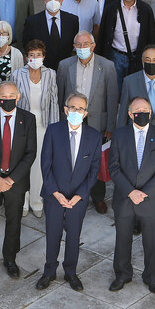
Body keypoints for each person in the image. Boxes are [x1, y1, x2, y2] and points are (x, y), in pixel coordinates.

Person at [37, 91, 101, 291]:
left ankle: (71, 272)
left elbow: (93, 170)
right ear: (65, 110)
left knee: (74, 235)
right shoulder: (54, 131)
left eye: (80, 109)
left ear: (85, 113)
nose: (76, 111)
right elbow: (45, 165)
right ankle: (49, 271)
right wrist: (55, 193)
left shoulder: (94, 136)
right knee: (53, 234)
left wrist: (79, 196)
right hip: (54, 195)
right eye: (72, 107)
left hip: (77, 197)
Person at [108, 97, 155, 295]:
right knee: (122, 238)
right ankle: (122, 274)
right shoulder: (119, 135)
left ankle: (152, 277)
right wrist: (130, 191)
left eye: (145, 109)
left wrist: (145, 193)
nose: (141, 113)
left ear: (150, 113)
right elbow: (114, 167)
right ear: (129, 114)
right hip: (125, 198)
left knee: (151, 240)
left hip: (150, 199)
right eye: (137, 110)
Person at [0, 81, 37, 279]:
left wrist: (10, 179)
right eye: (4, 95)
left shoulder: (28, 119)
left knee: (14, 222)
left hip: (15, 182)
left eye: (12, 95)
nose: (8, 99)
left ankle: (10, 258)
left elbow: (30, 153)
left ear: (18, 97)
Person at [57, 31, 118, 215]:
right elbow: (60, 95)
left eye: (86, 44)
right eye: (78, 45)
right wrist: (62, 121)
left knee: (95, 161)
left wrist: (110, 126)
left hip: (96, 122)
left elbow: (112, 97)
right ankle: (71, 193)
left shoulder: (107, 66)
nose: (82, 48)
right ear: (74, 46)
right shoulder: (64, 65)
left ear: (93, 46)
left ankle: (98, 197)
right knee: (71, 159)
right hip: (72, 121)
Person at [13, 39, 59, 218]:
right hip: (24, 126)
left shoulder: (51, 74)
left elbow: (54, 102)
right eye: (31, 55)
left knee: (40, 165)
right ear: (26, 57)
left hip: (43, 125)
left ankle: (36, 201)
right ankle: (23, 202)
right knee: (23, 164)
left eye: (38, 55)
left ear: (44, 56)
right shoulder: (17, 74)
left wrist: (54, 129)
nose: (35, 58)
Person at [96, 0, 155, 85]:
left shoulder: (145, 10)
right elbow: (103, 35)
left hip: (136, 58)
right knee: (115, 90)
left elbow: (151, 36)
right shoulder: (111, 9)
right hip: (115, 57)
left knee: (133, 89)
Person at [119, 45, 155, 146]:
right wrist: (120, 140)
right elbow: (123, 114)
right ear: (142, 61)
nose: (151, 63)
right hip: (135, 138)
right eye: (148, 59)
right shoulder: (129, 81)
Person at [22, 0, 79, 71]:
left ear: (62, 1)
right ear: (44, 1)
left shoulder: (72, 20)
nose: (53, 1)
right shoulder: (32, 21)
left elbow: (72, 44)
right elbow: (27, 44)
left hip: (65, 68)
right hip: (41, 69)